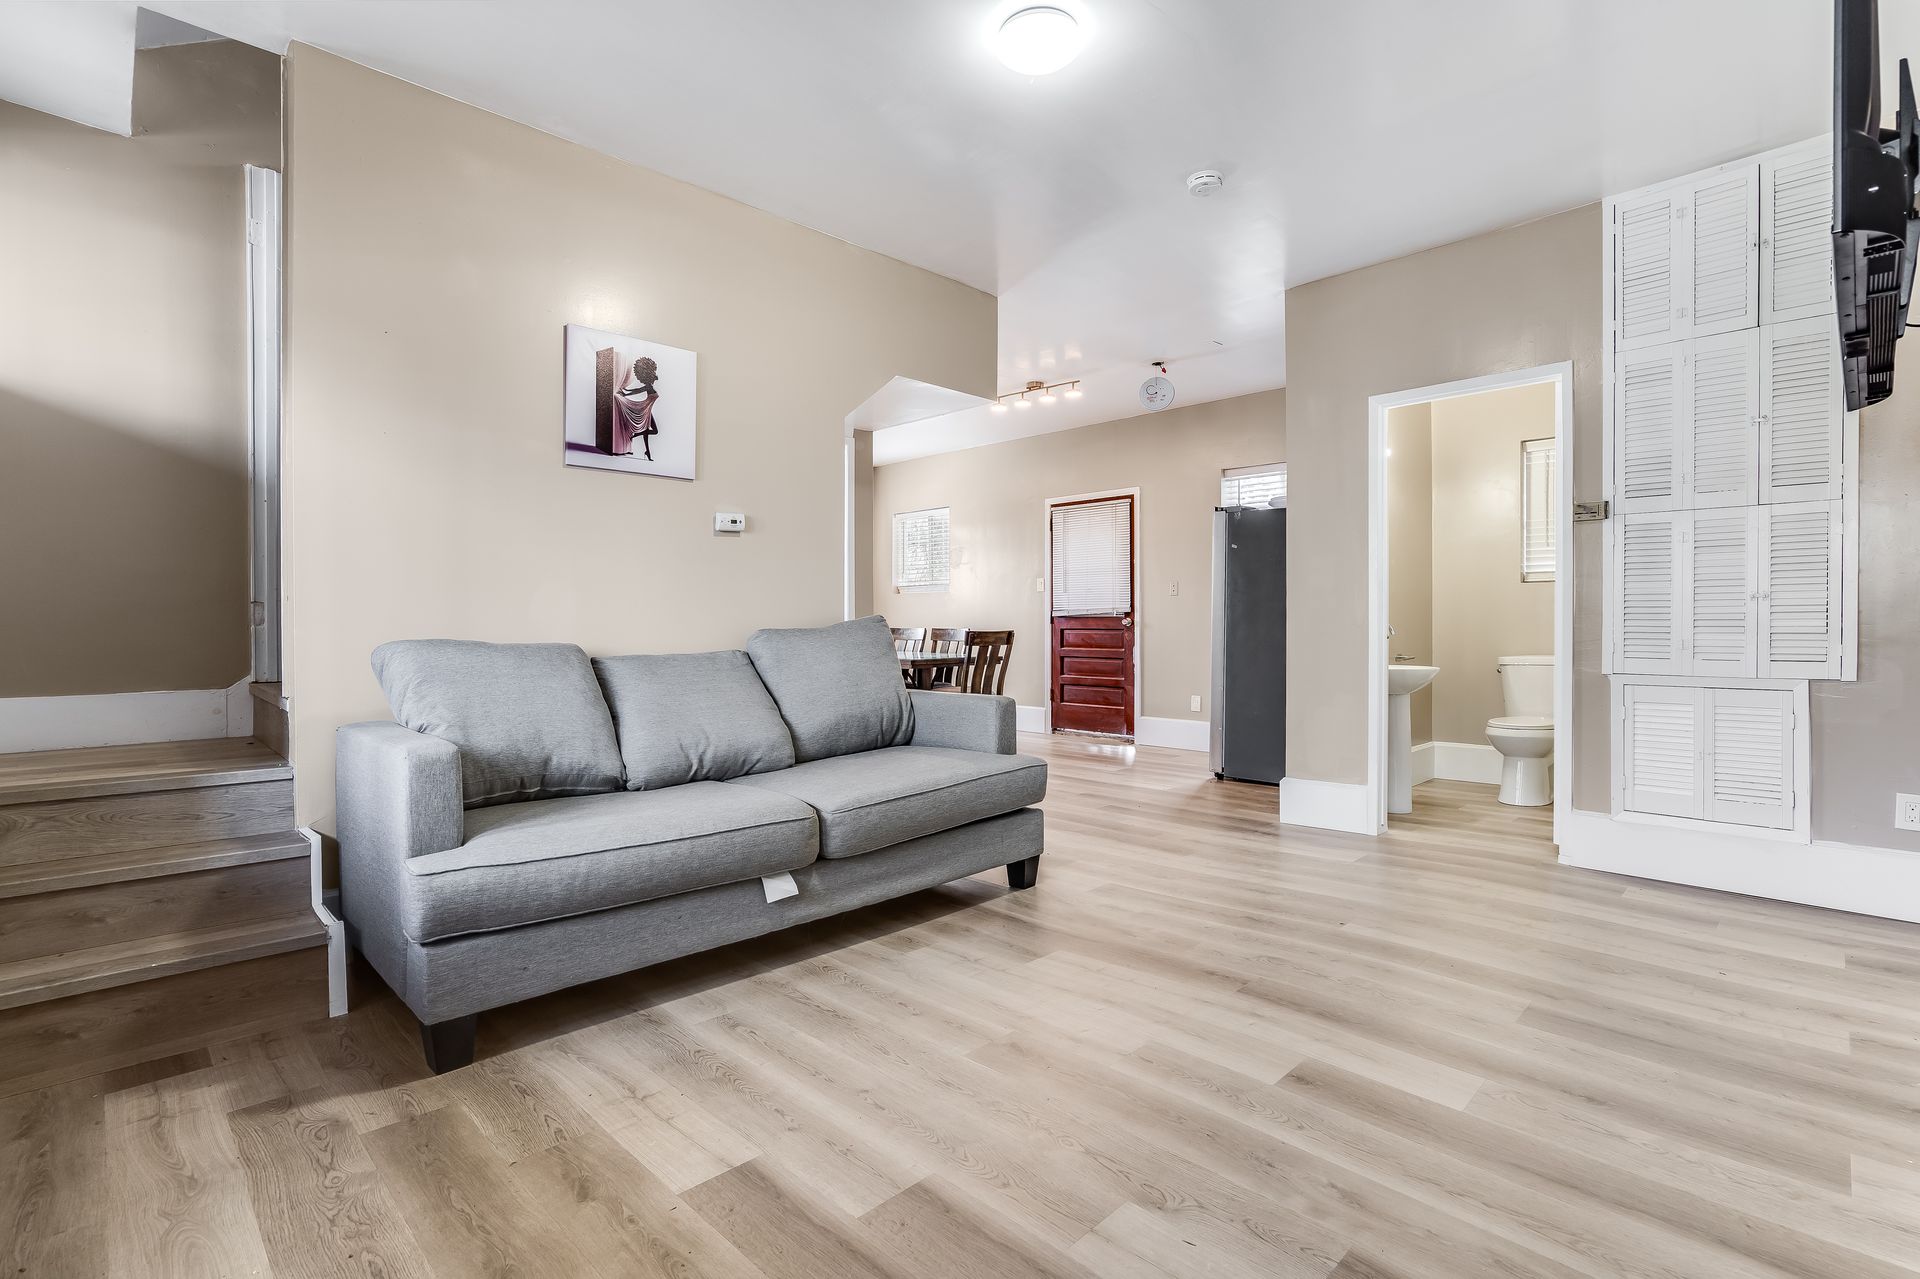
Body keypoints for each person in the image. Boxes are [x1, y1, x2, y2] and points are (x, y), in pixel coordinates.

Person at [613, 356, 661, 460]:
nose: (655, 377)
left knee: (649, 432)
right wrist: (625, 393)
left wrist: (626, 392)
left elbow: (637, 390)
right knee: (652, 431)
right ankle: (636, 438)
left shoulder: (650, 385)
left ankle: (647, 451)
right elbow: (637, 391)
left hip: (648, 411)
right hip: (646, 411)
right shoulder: (649, 386)